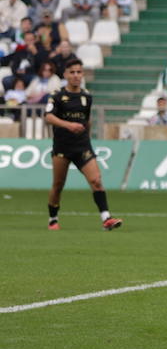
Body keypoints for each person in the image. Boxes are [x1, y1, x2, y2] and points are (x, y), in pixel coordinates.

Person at [44, 59, 121, 231]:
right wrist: (69, 125)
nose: (76, 76)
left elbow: (87, 120)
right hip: (62, 147)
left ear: (83, 74)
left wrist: (85, 134)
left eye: (79, 72)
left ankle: (106, 218)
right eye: (72, 72)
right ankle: (53, 219)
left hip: (82, 146)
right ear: (65, 75)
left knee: (96, 180)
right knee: (58, 186)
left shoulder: (87, 96)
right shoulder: (56, 96)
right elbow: (48, 117)